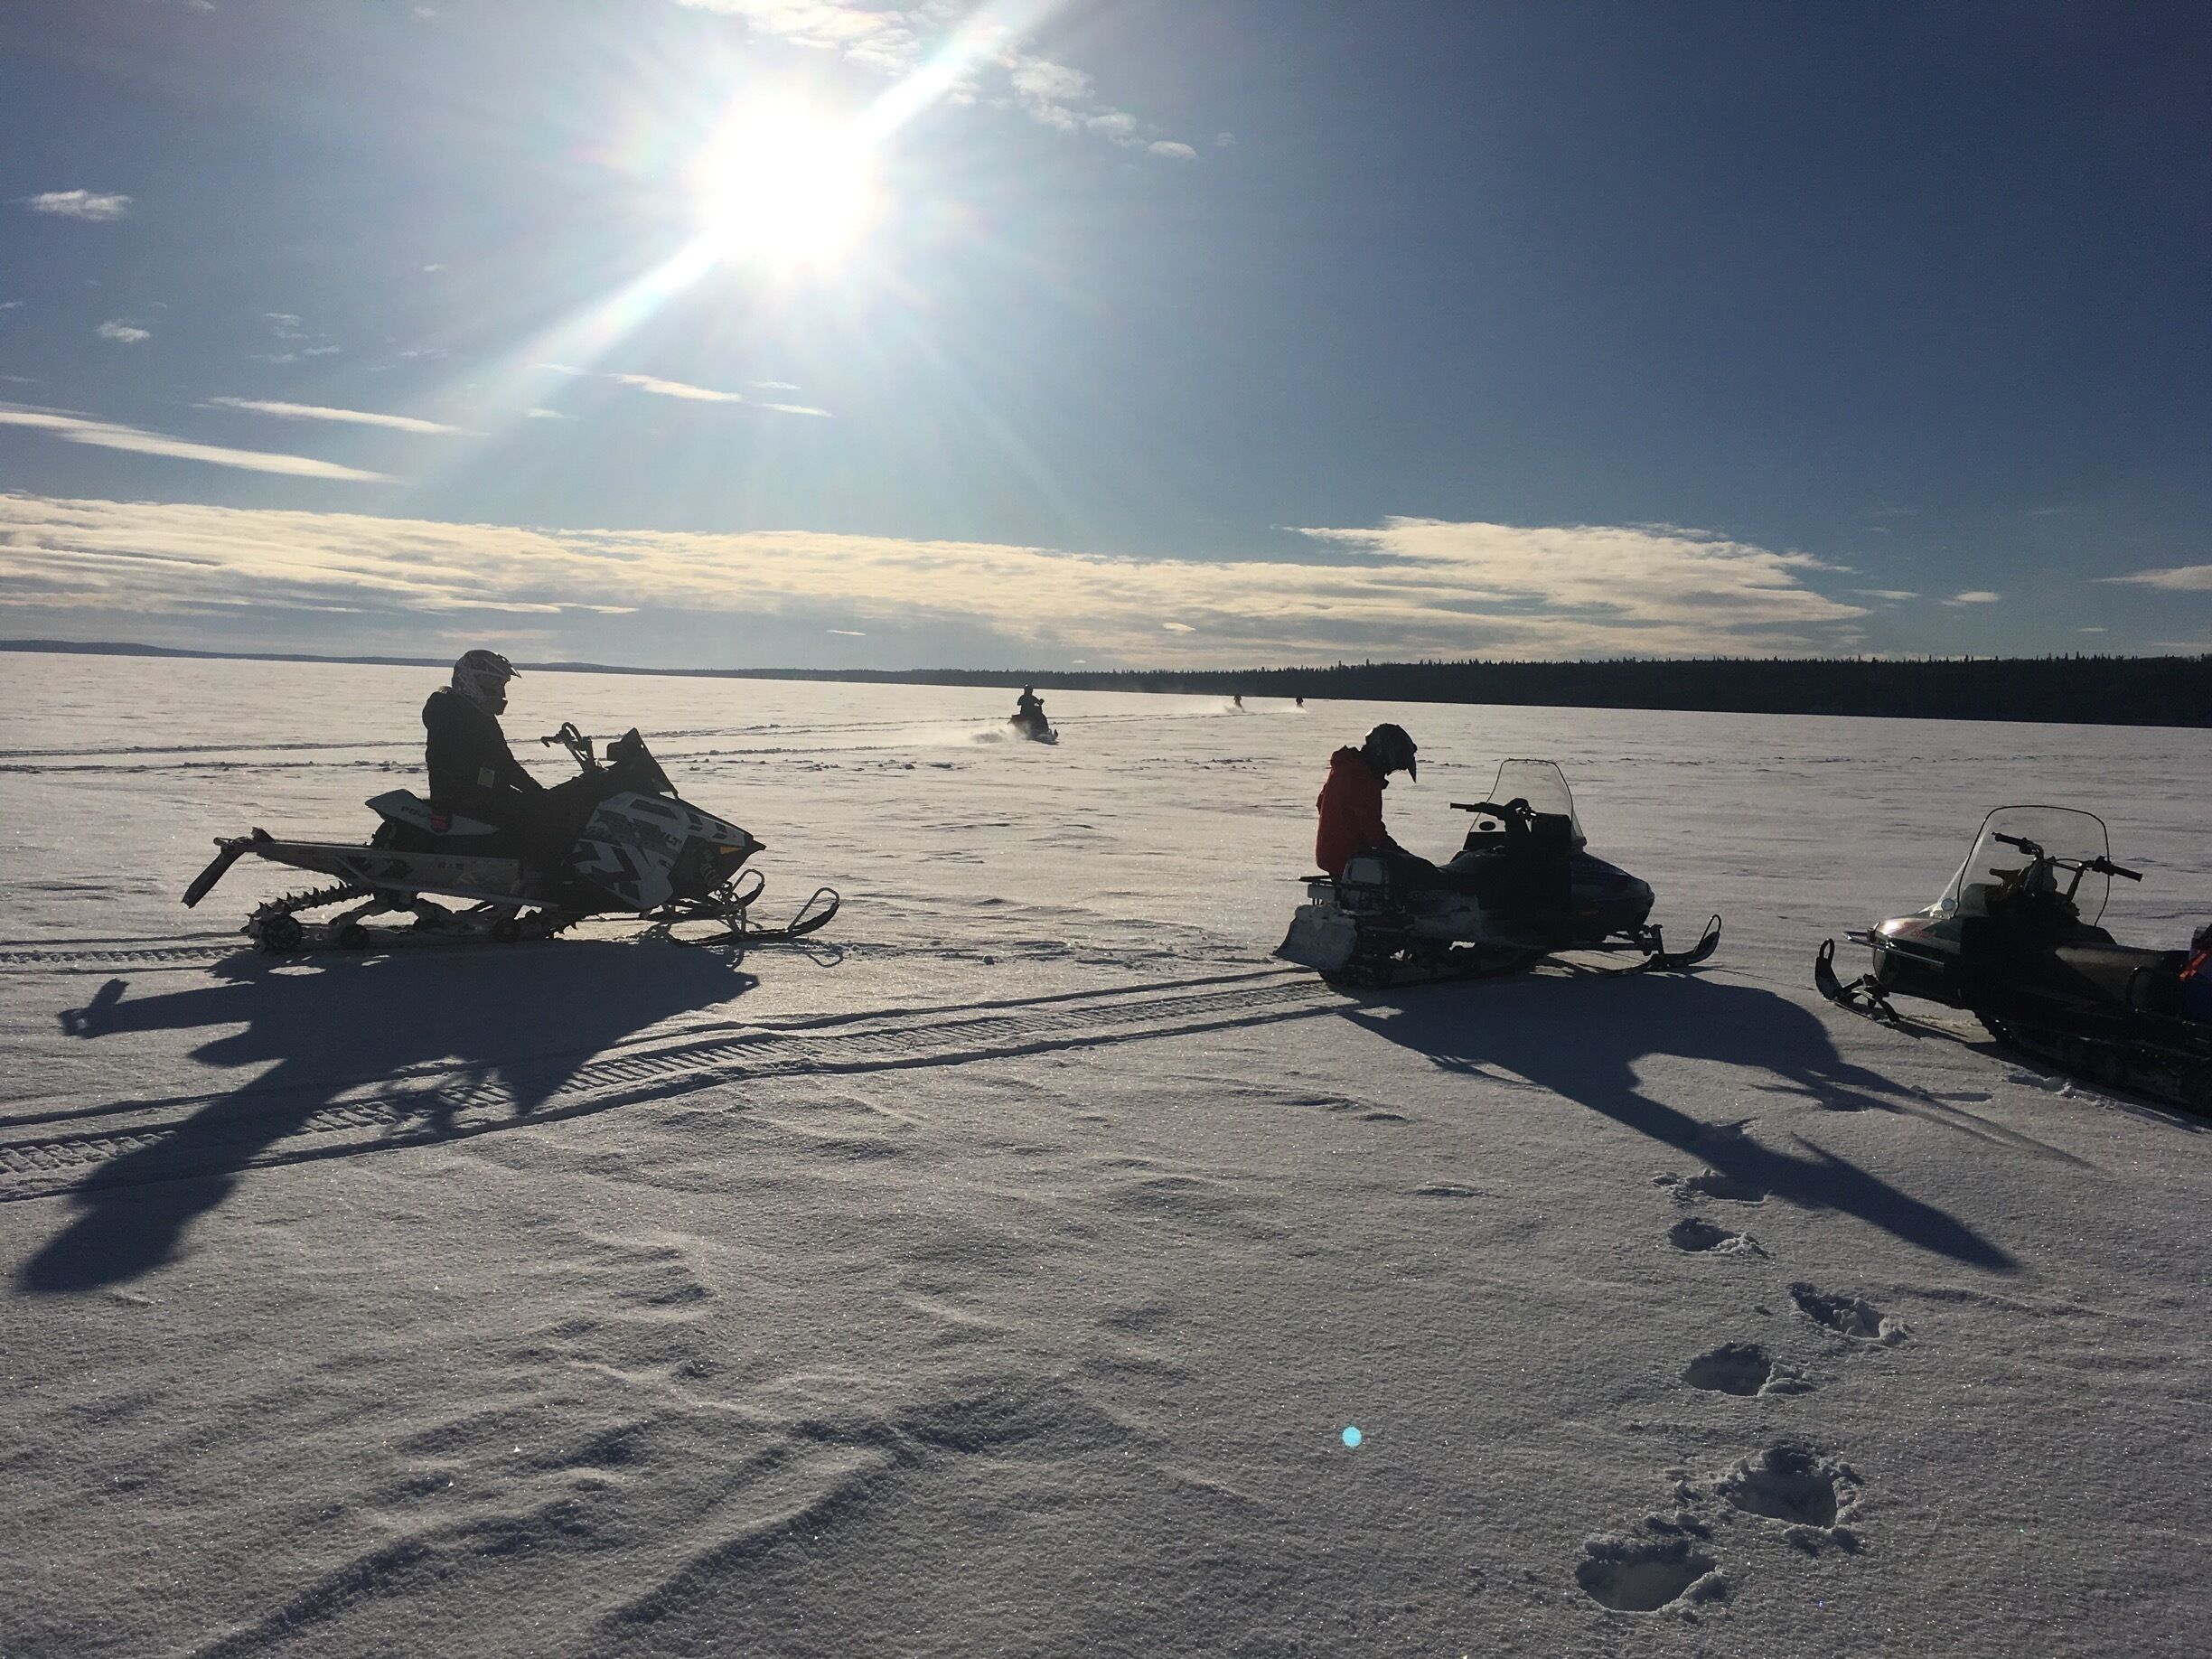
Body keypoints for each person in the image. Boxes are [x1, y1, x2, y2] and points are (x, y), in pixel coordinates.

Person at [423, 650, 541, 834]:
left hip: (485, 794)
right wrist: (441, 808)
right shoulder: (450, 714)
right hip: (463, 802)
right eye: (494, 685)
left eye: (500, 685)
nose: (499, 692)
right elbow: (441, 765)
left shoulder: (481, 716)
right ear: (471, 681)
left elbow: (503, 761)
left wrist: (535, 790)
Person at [1314, 723, 1425, 881]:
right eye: (1391, 767)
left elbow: (1321, 803)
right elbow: (1372, 830)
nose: (1387, 772)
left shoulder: (1344, 768)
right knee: (1417, 874)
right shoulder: (1361, 778)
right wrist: (1398, 852)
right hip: (1350, 859)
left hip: (1331, 856)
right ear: (1383, 756)